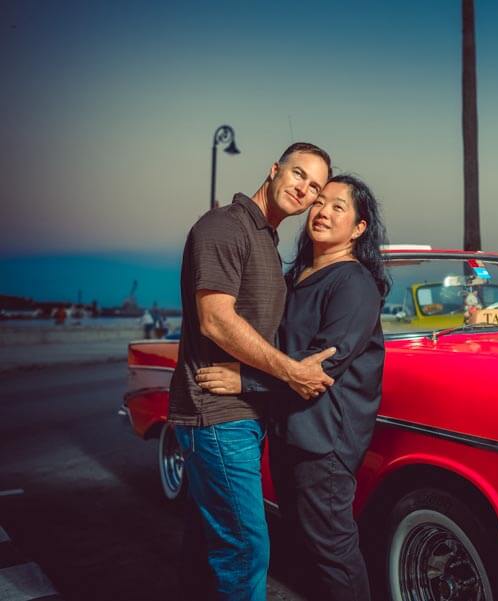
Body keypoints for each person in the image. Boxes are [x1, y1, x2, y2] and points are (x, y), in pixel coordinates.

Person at [196, 174, 388, 601]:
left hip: (325, 441)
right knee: (304, 546)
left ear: (358, 228)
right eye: (320, 202)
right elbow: (281, 352)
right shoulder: (299, 275)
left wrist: (242, 379)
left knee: (333, 551)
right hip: (290, 434)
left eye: (339, 206)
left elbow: (320, 370)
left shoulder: (353, 283)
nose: (322, 211)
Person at [169, 142, 338, 601]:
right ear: (274, 169)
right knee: (245, 550)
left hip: (242, 412)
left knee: (208, 548)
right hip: (217, 414)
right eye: (299, 174)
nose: (304, 189)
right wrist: (289, 372)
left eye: (315, 187)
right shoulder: (224, 226)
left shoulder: (267, 238)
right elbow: (216, 319)